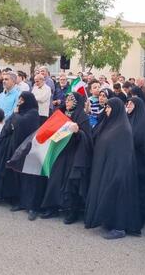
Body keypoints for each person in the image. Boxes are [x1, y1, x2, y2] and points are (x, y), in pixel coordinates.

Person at [85, 98, 141, 239]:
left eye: (109, 108)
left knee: (119, 198)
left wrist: (117, 172)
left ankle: (120, 227)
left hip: (118, 171)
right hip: (107, 168)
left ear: (116, 109)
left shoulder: (123, 129)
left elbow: (124, 154)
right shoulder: (111, 124)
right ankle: (110, 222)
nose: (106, 110)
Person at [40, 92, 93, 224]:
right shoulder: (61, 113)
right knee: (55, 179)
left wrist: (77, 132)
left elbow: (87, 138)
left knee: (71, 183)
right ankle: (52, 207)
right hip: (60, 151)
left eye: (70, 101)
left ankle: (71, 211)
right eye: (67, 100)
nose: (67, 103)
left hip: (74, 154)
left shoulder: (82, 117)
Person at [12, 92, 47, 221]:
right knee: (21, 177)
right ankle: (22, 203)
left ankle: (33, 207)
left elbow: (20, 123)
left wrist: (15, 112)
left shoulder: (32, 113)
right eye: (19, 98)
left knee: (32, 179)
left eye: (22, 99)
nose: (20, 101)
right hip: (19, 147)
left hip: (30, 149)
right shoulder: (22, 111)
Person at [126, 97, 145, 225]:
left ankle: (141, 217)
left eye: (131, 104)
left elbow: (143, 144)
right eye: (128, 103)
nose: (128, 105)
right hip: (128, 161)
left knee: (140, 191)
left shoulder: (144, 122)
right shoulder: (127, 118)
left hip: (140, 162)